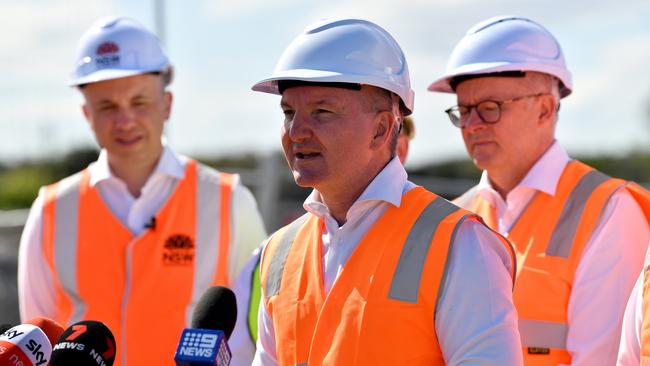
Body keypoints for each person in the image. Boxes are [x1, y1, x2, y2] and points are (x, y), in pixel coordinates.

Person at [250, 17, 523, 365]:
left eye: (322, 112)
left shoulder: (461, 244)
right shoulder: (280, 251)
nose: (297, 130)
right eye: (289, 112)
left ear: (381, 129)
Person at [17, 16, 267, 366]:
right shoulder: (50, 211)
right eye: (107, 107)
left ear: (167, 104)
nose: (125, 120)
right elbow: (37, 343)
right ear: (87, 114)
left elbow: (258, 335)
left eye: (139, 102)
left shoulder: (230, 202)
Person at [428, 15, 650, 365]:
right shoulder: (454, 217)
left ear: (545, 108)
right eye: (464, 110)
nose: (471, 125)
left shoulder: (610, 210)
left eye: (489, 109)